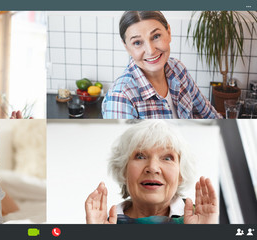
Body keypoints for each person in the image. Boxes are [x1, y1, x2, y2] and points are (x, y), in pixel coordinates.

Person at [85, 120, 219, 224]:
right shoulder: (105, 223)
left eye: (167, 158)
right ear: (124, 170)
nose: (153, 168)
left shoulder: (202, 219)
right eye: (140, 156)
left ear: (180, 175)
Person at [102, 11, 222, 119]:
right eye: (137, 42)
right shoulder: (120, 97)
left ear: (168, 33)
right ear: (127, 47)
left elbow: (210, 116)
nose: (150, 50)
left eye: (156, 36)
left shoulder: (178, 69)